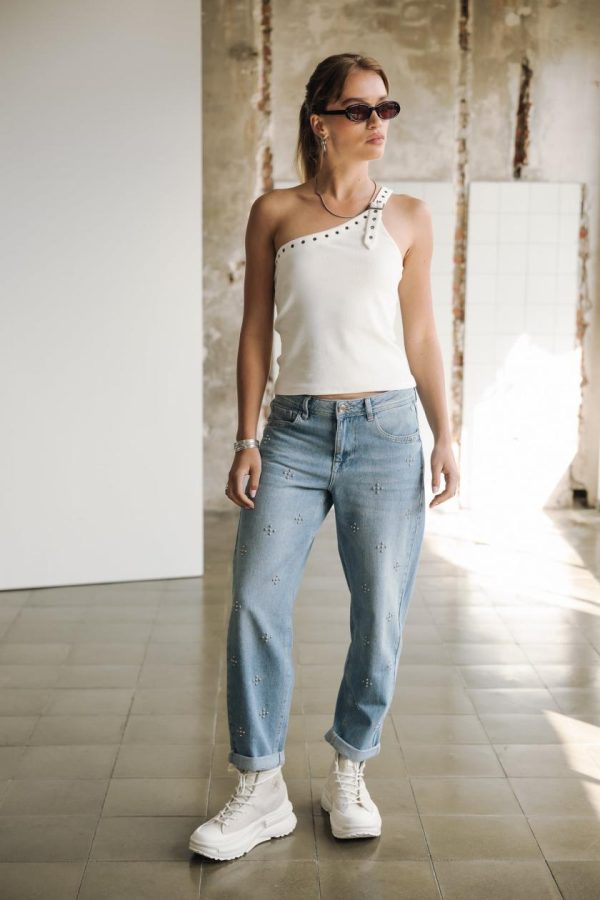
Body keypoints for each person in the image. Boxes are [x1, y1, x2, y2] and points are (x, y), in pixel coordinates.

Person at [189, 52, 459, 861]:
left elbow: (421, 334)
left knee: (380, 612)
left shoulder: (409, 217)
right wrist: (246, 436)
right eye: (359, 109)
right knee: (254, 601)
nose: (378, 124)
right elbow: (253, 331)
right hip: (293, 434)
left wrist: (446, 434)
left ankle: (351, 769)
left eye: (386, 109)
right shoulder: (274, 212)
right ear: (321, 121)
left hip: (387, 431)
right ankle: (261, 785)